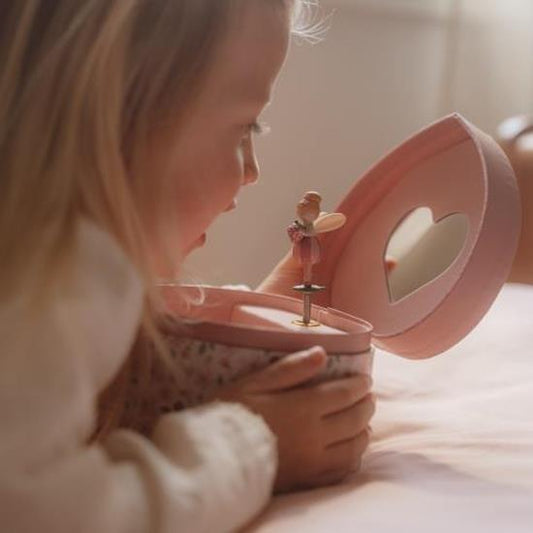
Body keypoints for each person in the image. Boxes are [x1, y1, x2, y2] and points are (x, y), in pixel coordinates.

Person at [0, 1, 375, 531]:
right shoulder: (60, 280)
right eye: (245, 128)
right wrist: (250, 441)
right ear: (121, 112)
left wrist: (263, 328)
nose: (253, 172)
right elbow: (53, 514)